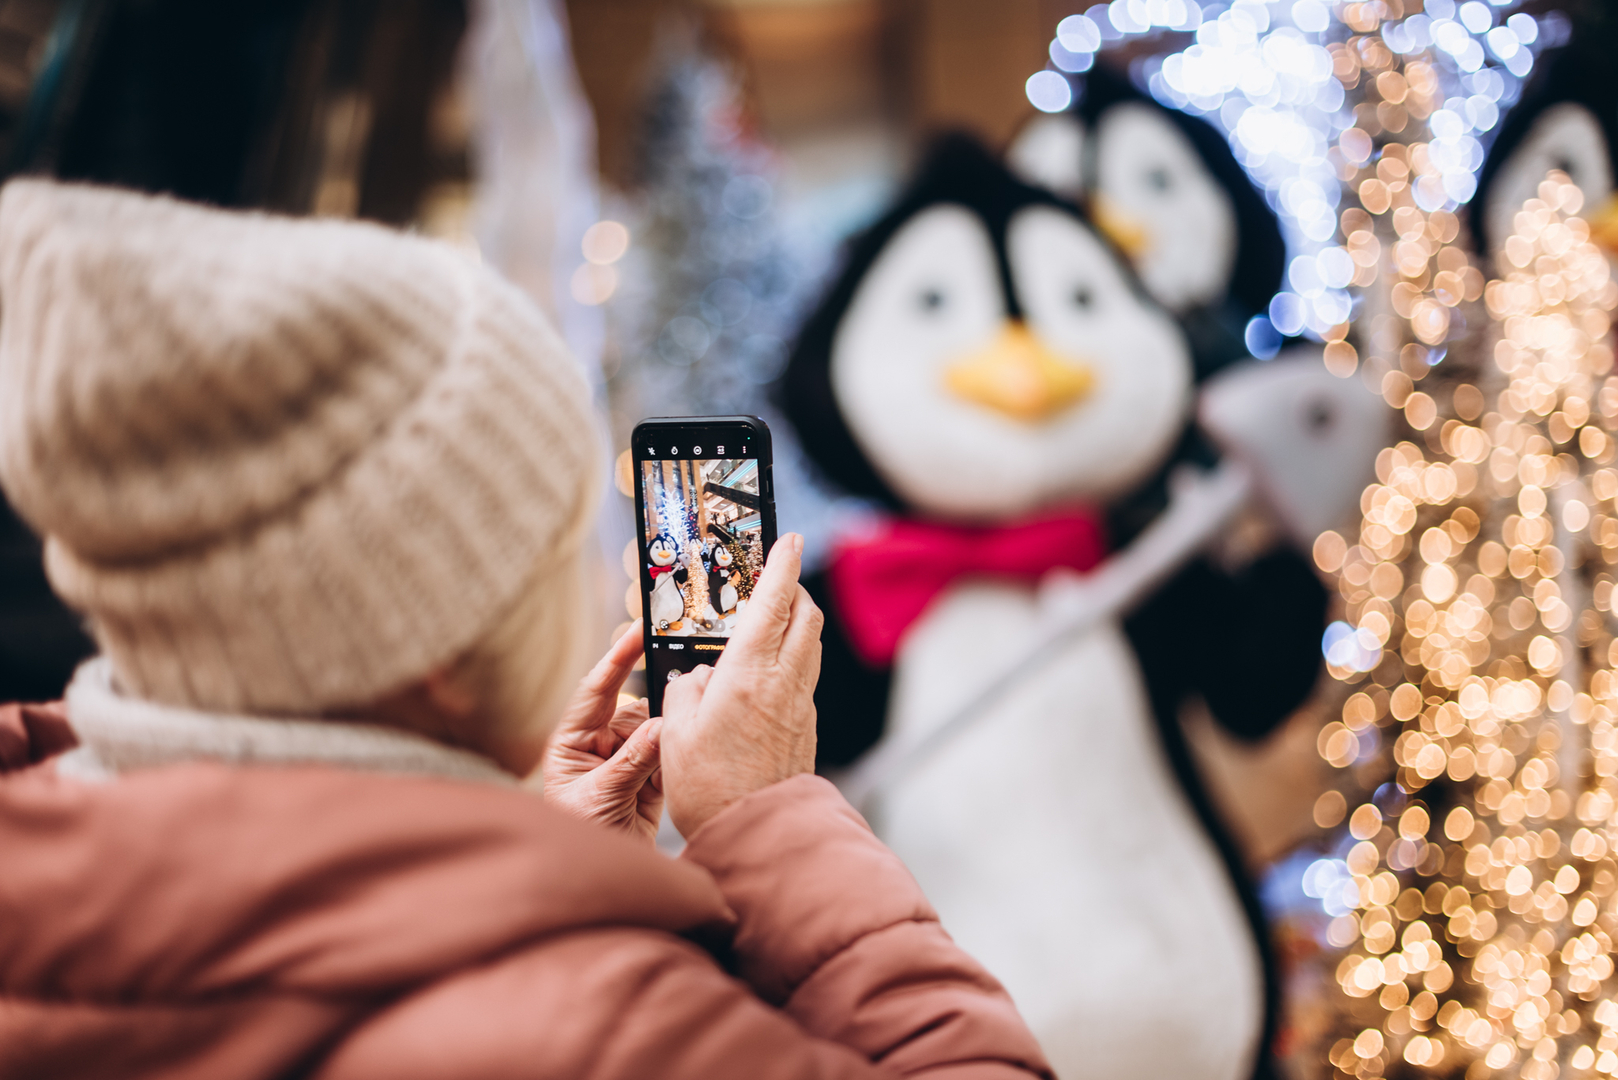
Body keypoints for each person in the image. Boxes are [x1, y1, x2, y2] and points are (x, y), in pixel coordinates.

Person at [0, 180, 1052, 1080]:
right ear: (446, 656)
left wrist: (523, 864)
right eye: (560, 551)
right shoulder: (595, 1029)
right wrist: (769, 815)